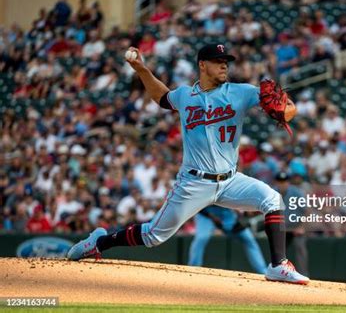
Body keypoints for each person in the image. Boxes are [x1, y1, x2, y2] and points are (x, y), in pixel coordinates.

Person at [67, 44, 309, 285]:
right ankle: (98, 242)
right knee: (153, 236)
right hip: (194, 182)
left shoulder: (241, 92)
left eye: (226, 60)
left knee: (272, 199)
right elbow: (162, 97)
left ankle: (278, 266)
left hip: (231, 180)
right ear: (202, 65)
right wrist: (141, 70)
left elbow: (289, 108)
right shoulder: (184, 95)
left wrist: (287, 110)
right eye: (217, 60)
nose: (224, 64)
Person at [188, 206, 267, 274]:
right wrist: (212, 216)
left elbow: (234, 200)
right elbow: (197, 204)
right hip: (206, 213)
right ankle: (193, 268)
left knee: (249, 239)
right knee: (201, 238)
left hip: (226, 213)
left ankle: (262, 271)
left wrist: (243, 212)